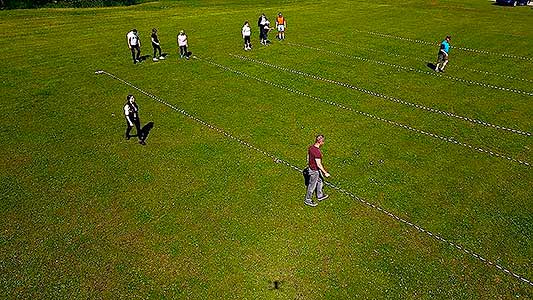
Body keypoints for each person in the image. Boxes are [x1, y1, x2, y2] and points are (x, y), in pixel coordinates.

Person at [304, 135, 330, 207]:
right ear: (320, 142)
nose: (323, 143)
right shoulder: (317, 152)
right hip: (314, 170)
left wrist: (308, 164)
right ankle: (308, 199)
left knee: (320, 181)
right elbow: (318, 164)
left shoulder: (311, 147)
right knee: (312, 185)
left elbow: (308, 157)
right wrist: (325, 173)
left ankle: (320, 195)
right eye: (323, 141)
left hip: (312, 168)